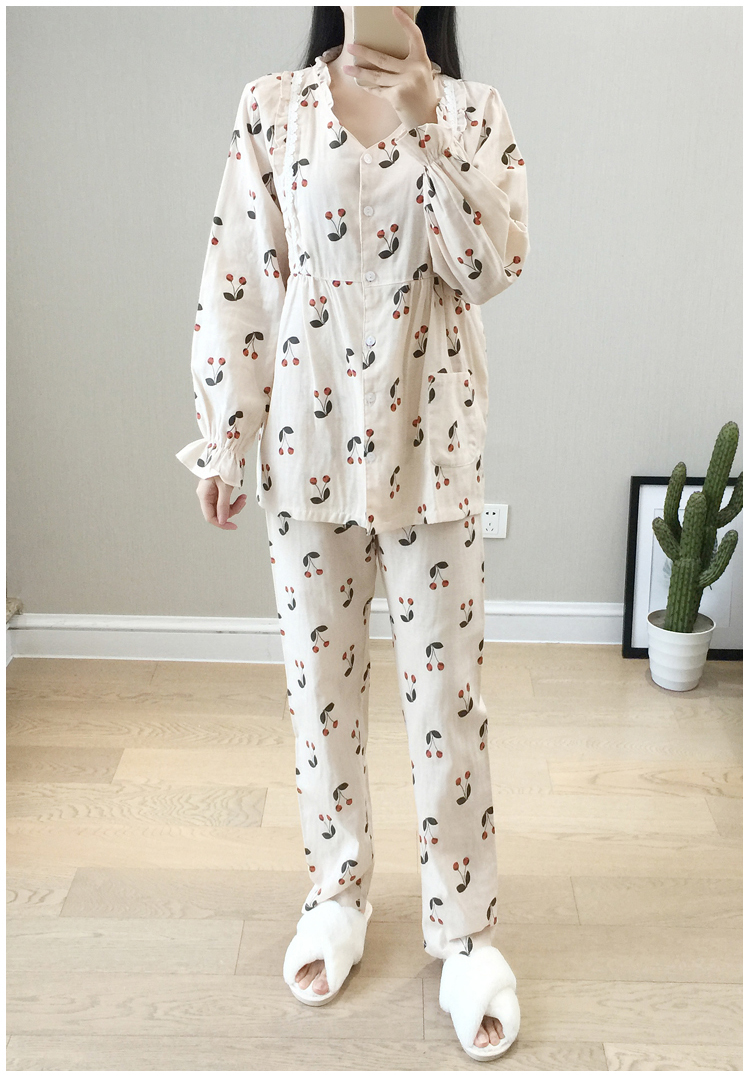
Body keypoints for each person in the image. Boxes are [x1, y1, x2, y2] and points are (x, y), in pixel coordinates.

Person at [176, 4, 529, 1061]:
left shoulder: (475, 112)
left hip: (435, 453)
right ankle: (337, 891)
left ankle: (463, 931)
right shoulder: (271, 108)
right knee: (316, 689)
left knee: (447, 703)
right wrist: (225, 434)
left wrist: (425, 124)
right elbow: (242, 278)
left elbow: (492, 267)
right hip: (307, 448)